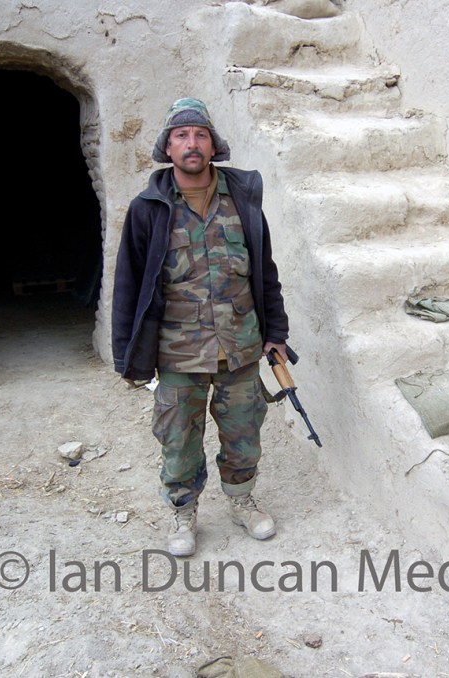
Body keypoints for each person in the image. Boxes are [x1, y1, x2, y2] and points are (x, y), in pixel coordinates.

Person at [112, 98, 290, 557]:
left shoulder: (243, 199)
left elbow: (263, 271)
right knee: (178, 436)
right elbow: (129, 285)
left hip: (241, 345)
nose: (192, 144)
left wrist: (277, 332)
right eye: (181, 136)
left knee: (243, 432)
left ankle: (242, 501)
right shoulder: (148, 208)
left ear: (213, 145)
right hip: (176, 352)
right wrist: (126, 356)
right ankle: (183, 511)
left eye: (200, 135)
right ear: (167, 148)